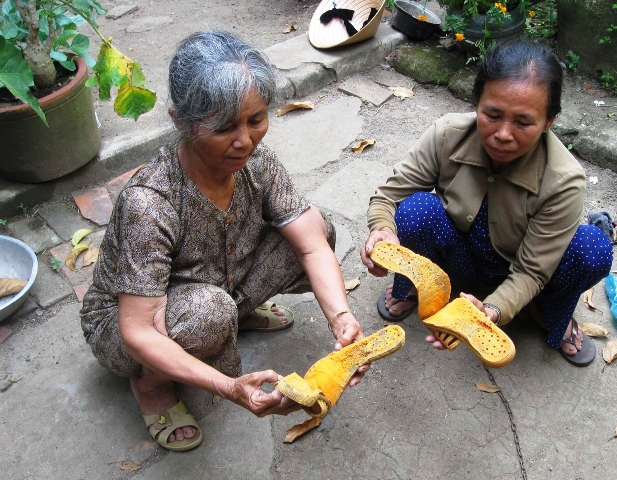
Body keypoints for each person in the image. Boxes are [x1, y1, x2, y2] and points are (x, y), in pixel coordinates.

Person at [80, 30, 367, 452]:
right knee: (208, 313)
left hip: (219, 279)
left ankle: (236, 314)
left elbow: (310, 243)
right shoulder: (151, 202)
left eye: (256, 120)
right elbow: (138, 330)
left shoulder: (257, 161)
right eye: (224, 127)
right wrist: (230, 386)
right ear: (181, 121)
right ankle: (152, 387)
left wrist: (342, 318)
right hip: (129, 324)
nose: (245, 140)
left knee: (315, 227)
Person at [361, 40, 613, 367]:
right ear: (476, 102)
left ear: (549, 121)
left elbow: (533, 271)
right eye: (492, 114)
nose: (503, 134)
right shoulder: (447, 134)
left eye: (523, 122)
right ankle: (415, 286)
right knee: (414, 210)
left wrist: (490, 312)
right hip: (460, 256)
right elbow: (389, 195)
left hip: (519, 271)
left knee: (593, 248)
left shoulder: (564, 180)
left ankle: (546, 312)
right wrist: (383, 231)